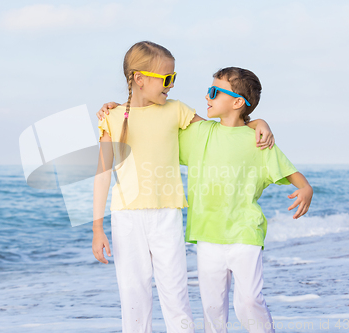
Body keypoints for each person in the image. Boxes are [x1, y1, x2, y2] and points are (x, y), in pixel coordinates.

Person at [92, 41, 274, 333]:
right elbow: (101, 173)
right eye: (167, 79)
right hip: (126, 218)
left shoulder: (176, 110)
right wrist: (97, 228)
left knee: (175, 294)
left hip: (167, 215)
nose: (171, 85)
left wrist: (258, 122)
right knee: (133, 296)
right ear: (139, 79)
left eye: (173, 78)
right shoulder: (112, 118)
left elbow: (223, 129)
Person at [178, 67, 313, 333]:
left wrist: (306, 189)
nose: (207, 96)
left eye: (214, 91)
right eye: (208, 90)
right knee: (213, 308)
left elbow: (292, 174)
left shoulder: (259, 140)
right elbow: (160, 117)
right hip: (207, 233)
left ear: (238, 102)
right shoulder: (200, 133)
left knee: (249, 300)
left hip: (245, 231)